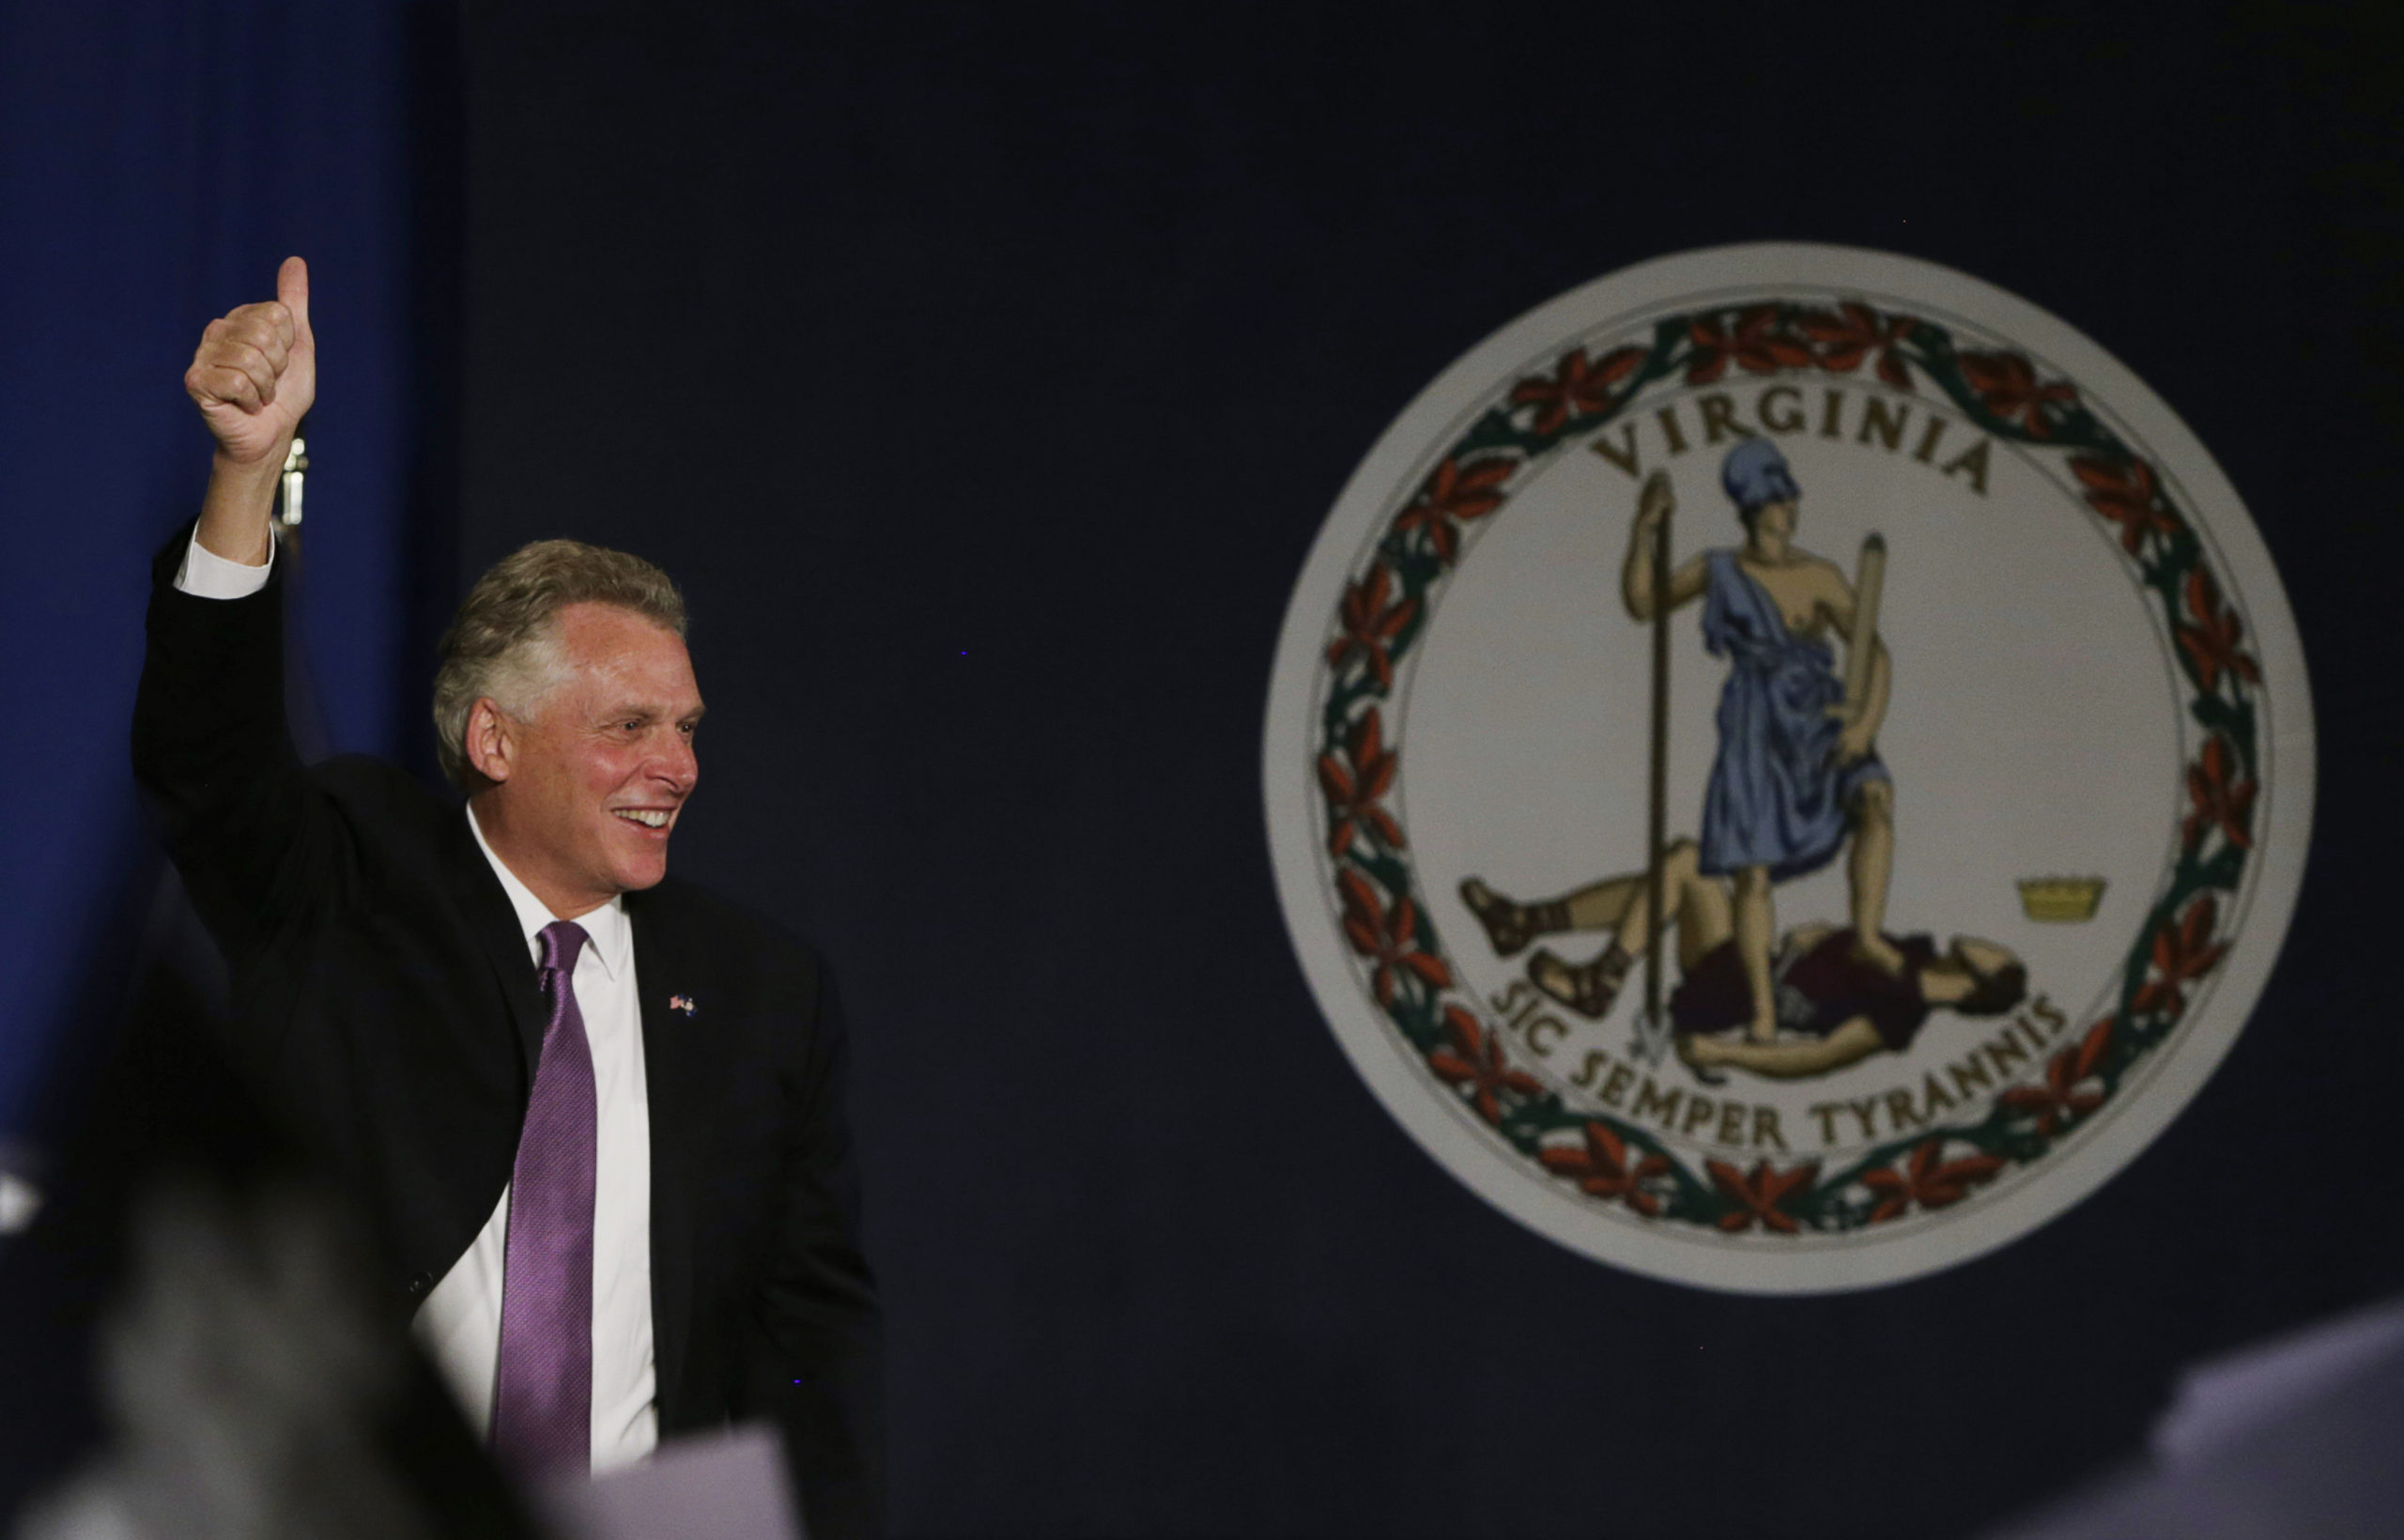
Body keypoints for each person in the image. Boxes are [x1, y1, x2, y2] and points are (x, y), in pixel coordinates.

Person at [132, 258, 881, 1537]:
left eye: (688, 727)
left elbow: (808, 1344)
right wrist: (249, 474)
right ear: (494, 739)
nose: (679, 766)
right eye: (630, 725)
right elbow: (209, 767)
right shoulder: (349, 880)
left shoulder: (763, 993)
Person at [1619, 441, 1897, 1045]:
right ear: (1750, 507)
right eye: (1776, 497)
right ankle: (1763, 1010)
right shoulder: (1719, 569)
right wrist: (1643, 531)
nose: (1789, 507)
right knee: (1752, 876)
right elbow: (1644, 603)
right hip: (1754, 728)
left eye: (1789, 495)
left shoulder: (1819, 574)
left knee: (1874, 799)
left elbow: (1872, 653)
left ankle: (1869, 935)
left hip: (1821, 716)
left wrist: (1864, 726)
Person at [1459, 839, 2023, 1081]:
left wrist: (1724, 1052)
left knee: (1687, 864)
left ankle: (1600, 981)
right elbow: (1853, 955)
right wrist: (1828, 933)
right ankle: (1525, 924)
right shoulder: (1914, 955)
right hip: (1759, 958)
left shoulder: (1900, 1016)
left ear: (1980, 985)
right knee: (1661, 885)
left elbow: (1816, 1058)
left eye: (2000, 958)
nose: (1994, 944)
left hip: (1744, 990)